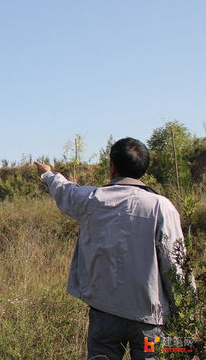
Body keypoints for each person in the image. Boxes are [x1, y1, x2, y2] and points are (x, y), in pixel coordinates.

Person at [34, 137, 188, 360]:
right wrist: (185, 310)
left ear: (112, 166)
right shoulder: (161, 207)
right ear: (143, 168)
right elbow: (176, 263)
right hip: (150, 318)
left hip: (104, 313)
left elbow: (65, 190)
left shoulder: (92, 199)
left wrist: (47, 173)